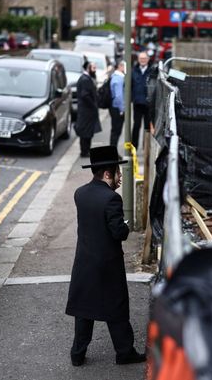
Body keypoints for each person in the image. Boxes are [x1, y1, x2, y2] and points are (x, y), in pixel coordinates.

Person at [66, 146, 146, 367]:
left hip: (84, 261)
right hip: (107, 264)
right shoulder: (112, 199)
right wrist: (125, 225)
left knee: (84, 309)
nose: (121, 177)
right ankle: (124, 352)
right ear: (108, 174)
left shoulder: (80, 193)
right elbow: (118, 232)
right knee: (116, 307)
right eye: (118, 173)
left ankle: (77, 354)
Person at [74, 61, 101, 157]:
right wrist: (93, 105)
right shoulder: (85, 80)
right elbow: (85, 95)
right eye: (93, 68)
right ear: (88, 68)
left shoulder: (86, 78)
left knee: (87, 132)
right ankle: (84, 151)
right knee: (85, 132)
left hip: (86, 110)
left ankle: (86, 150)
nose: (95, 70)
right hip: (86, 111)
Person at [131, 52, 153, 149]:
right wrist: (132, 98)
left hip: (149, 104)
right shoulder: (134, 71)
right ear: (138, 59)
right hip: (138, 103)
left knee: (147, 127)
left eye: (144, 58)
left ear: (148, 59)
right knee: (136, 126)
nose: (142, 60)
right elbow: (130, 86)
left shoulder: (152, 71)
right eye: (141, 58)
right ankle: (134, 147)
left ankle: (146, 148)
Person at [109, 61, 126, 148]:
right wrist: (122, 109)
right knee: (116, 131)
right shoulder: (118, 78)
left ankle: (112, 152)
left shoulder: (115, 77)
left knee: (115, 131)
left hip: (115, 107)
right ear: (120, 66)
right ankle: (112, 153)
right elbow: (118, 96)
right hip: (117, 108)